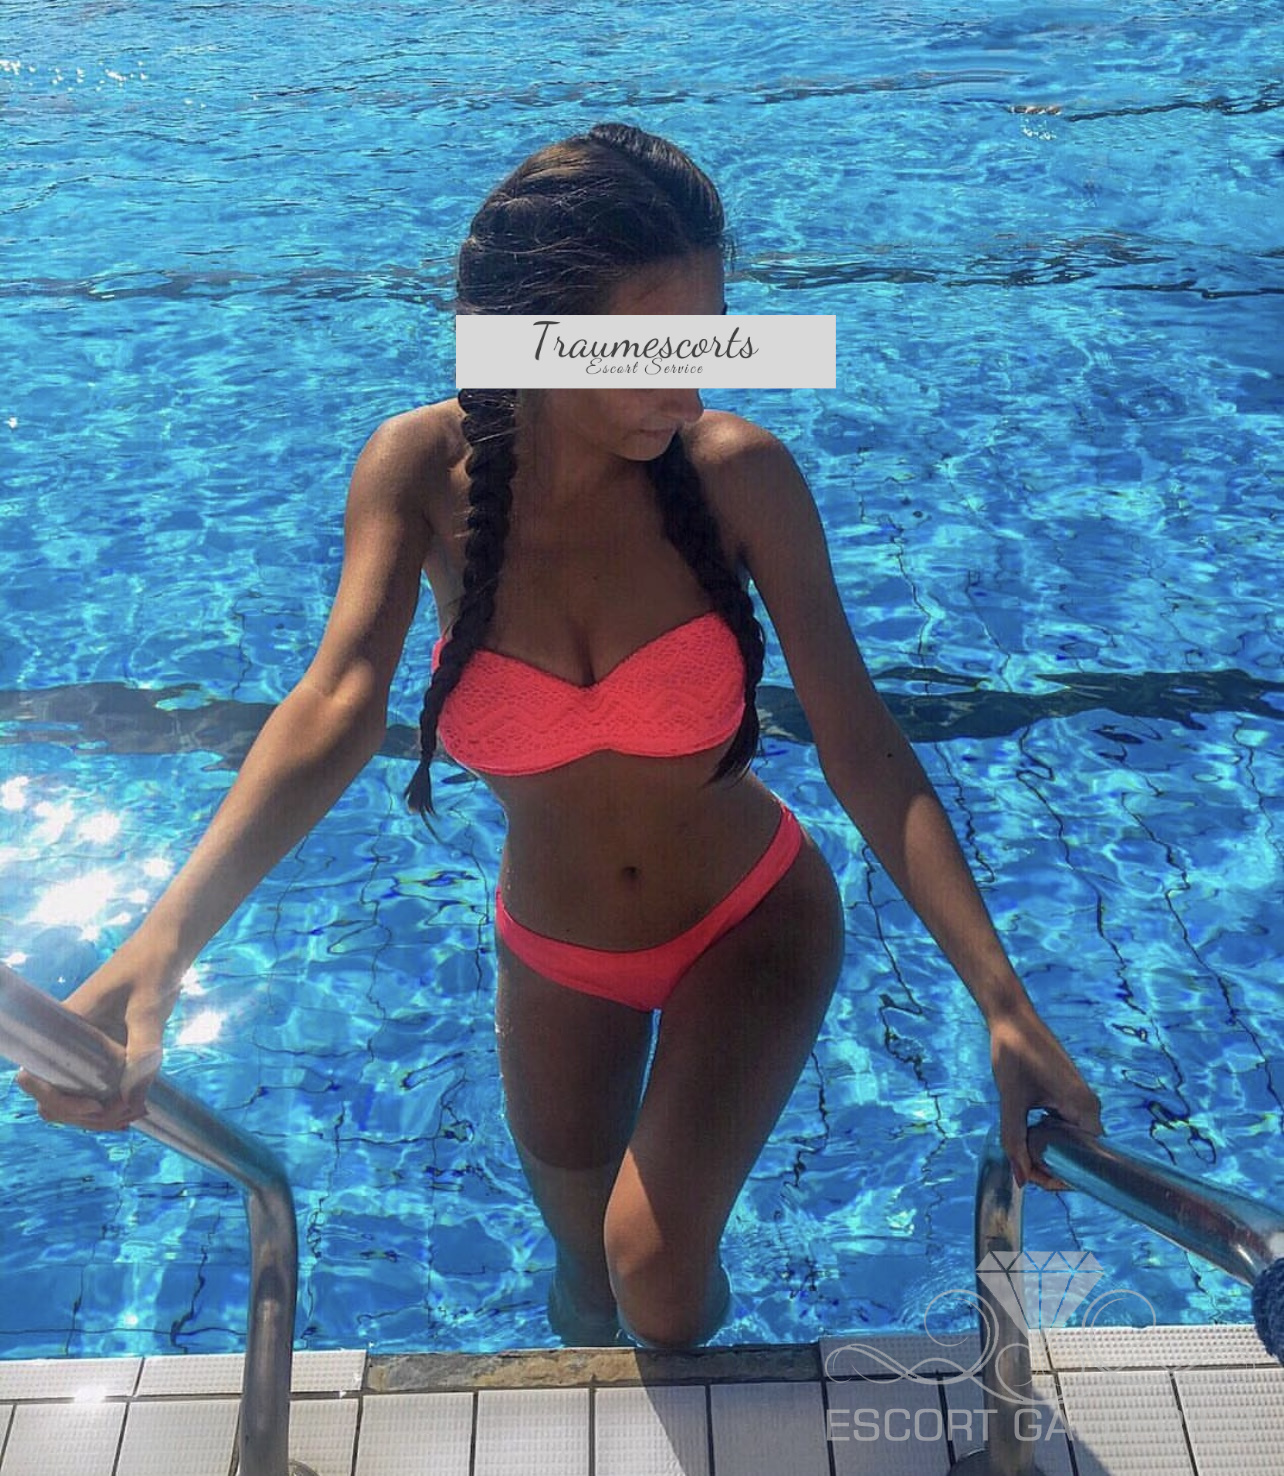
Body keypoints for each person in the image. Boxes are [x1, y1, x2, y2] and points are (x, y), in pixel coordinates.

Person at [18, 121, 1102, 1350]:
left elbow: (864, 747)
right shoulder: (419, 472)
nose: (690, 390)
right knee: (585, 1285)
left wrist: (1003, 1005)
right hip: (557, 955)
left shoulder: (741, 476)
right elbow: (332, 706)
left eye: (709, 341)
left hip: (750, 922)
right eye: (649, 352)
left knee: (656, 1274)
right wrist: (156, 956)